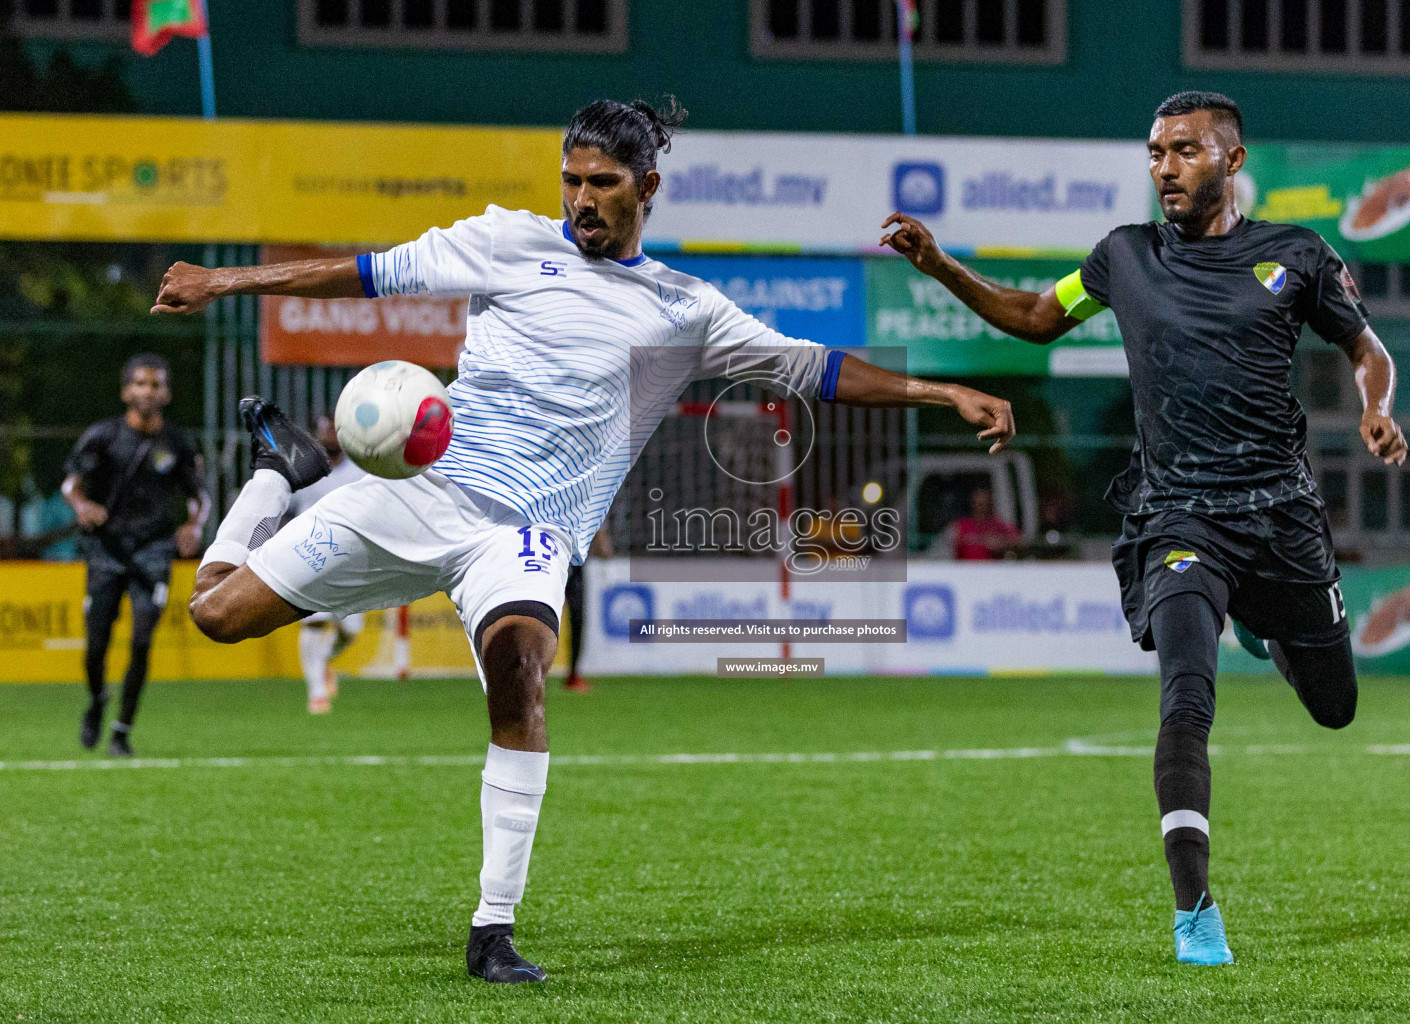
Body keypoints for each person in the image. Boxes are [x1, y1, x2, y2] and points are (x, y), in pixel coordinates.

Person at [148, 97, 1016, 984]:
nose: (582, 199)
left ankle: (493, 931)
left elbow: (814, 368)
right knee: (217, 613)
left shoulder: (685, 308)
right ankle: (276, 473)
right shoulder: (508, 243)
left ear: (648, 187)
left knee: (522, 677)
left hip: (527, 536)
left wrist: (943, 395)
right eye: (572, 181)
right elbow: (371, 273)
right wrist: (223, 282)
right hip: (423, 493)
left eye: (602, 183)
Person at [881, 90, 1405, 966]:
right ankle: (1194, 911)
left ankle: (1267, 622)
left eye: (1186, 151)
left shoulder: (1295, 256)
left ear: (1231, 162)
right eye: (1156, 151)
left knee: (1335, 707)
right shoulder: (1121, 259)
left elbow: (1366, 348)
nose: (1165, 166)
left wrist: (1377, 409)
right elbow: (1035, 318)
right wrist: (940, 264)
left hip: (1279, 514)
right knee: (1186, 695)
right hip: (1176, 513)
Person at [60, 353, 210, 758]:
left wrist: (193, 526)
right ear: (126, 390)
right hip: (106, 550)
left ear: (167, 393)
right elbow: (71, 483)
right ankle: (95, 701)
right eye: (140, 384)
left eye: (156, 384)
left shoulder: (177, 443)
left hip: (153, 551)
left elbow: (201, 495)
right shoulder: (103, 436)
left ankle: (122, 731)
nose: (147, 391)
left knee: (142, 643)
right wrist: (82, 506)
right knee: (95, 647)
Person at [286, 417, 368, 713]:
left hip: (351, 559)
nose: (330, 435)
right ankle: (317, 693)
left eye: (335, 429)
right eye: (324, 429)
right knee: (315, 622)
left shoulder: (360, 472)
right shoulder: (305, 472)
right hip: (310, 555)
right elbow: (285, 510)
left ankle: (324, 662)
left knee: (351, 629)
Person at [561, 524, 609, 694]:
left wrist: (600, 536)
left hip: (575, 571)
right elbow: (604, 551)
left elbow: (604, 550)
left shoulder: (586, 508)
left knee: (578, 622)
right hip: (550, 566)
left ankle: (573, 675)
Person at [952, 487, 1022, 560]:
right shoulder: (961, 525)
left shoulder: (999, 524)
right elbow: (949, 547)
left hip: (990, 569)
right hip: (967, 569)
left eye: (986, 504)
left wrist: (1002, 542)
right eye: (980, 504)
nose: (983, 508)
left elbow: (1018, 541)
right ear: (973, 504)